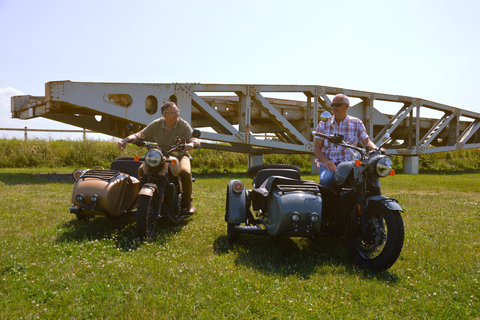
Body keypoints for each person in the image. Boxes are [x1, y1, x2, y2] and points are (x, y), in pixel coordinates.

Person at [118, 101, 200, 214]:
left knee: (185, 172)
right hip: (161, 155)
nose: (177, 114)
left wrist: (192, 144)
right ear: (164, 115)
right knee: (142, 170)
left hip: (180, 155)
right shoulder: (157, 124)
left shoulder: (183, 124)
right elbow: (140, 134)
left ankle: (188, 203)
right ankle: (141, 200)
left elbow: (194, 139)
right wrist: (125, 140)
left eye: (177, 111)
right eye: (173, 112)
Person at [314, 94, 378, 189]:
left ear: (347, 106)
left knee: (366, 182)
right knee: (326, 181)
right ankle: (326, 204)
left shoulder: (356, 123)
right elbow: (317, 148)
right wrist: (326, 161)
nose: (334, 108)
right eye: (332, 105)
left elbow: (366, 141)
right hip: (330, 164)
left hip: (351, 164)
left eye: (338, 105)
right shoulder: (324, 124)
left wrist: (377, 150)